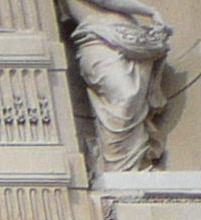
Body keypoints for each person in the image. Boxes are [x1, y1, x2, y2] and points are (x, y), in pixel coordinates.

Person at [64, 0, 178, 176]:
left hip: (128, 41)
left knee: (134, 103)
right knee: (125, 97)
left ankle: (132, 165)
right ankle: (118, 167)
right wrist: (149, 11)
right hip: (99, 40)